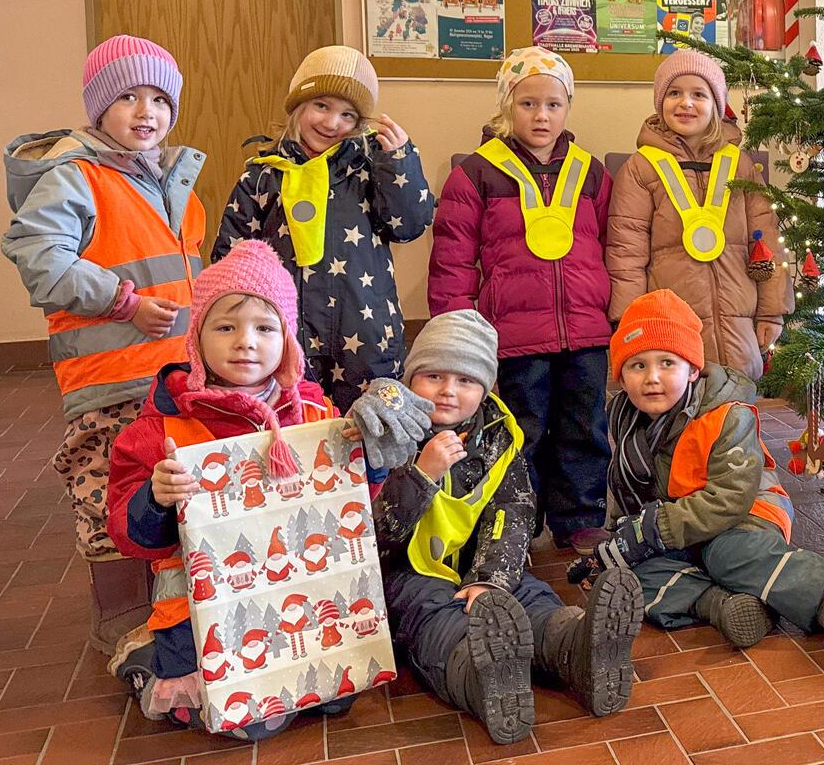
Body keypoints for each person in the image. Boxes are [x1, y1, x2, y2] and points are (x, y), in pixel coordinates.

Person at [103, 240, 425, 739]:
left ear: (288, 340)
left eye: (264, 328)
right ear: (197, 339)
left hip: (299, 597)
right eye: (225, 326)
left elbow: (351, 508)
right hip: (201, 608)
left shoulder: (317, 416)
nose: (245, 342)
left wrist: (375, 463)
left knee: (335, 700)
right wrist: (155, 496)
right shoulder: (161, 429)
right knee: (251, 725)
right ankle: (147, 657)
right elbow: (129, 535)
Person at [2, 35, 205, 655]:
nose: (146, 111)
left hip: (174, 376)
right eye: (127, 96)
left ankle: (172, 612)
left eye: (159, 99)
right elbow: (38, 256)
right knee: (105, 491)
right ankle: (122, 624)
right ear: (97, 108)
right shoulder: (74, 176)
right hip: (108, 378)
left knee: (166, 489)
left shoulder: (173, 180)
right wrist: (124, 303)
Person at [372, 310, 643, 746]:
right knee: (432, 617)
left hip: (481, 564)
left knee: (528, 593)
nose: (447, 391)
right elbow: (376, 533)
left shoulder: (499, 439)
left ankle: (575, 647)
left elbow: (512, 516)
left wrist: (490, 581)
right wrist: (420, 474)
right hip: (411, 573)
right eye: (434, 376)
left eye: (465, 381)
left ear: (485, 388)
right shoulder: (392, 435)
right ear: (411, 380)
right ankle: (483, 680)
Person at [569, 290, 824, 656]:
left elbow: (730, 498)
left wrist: (655, 529)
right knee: (624, 576)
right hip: (678, 527)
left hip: (747, 515)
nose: (652, 378)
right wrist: (620, 543)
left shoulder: (726, 414)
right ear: (621, 376)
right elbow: (624, 491)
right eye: (638, 365)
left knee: (728, 555)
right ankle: (721, 604)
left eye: (667, 363)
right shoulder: (625, 420)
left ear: (692, 369)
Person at [429, 47, 614, 551]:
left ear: (568, 108)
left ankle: (580, 520)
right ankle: (516, 522)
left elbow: (608, 245)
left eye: (554, 104)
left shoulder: (591, 172)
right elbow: (453, 259)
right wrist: (456, 331)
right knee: (520, 432)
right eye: (528, 103)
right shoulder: (475, 173)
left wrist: (612, 312)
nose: (542, 115)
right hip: (512, 336)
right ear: (506, 106)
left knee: (585, 427)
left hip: (585, 332)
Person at [213, 46, 432, 409]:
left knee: (370, 433)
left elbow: (408, 225)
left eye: (347, 115)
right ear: (299, 106)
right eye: (321, 106)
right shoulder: (264, 174)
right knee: (296, 422)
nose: (332, 124)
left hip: (366, 333)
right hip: (286, 335)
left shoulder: (371, 169)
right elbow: (230, 261)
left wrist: (399, 163)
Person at [606, 49, 791, 384]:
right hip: (669, 329)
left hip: (738, 323)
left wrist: (772, 311)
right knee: (679, 422)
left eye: (699, 94)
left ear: (716, 106)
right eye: (674, 93)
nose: (685, 103)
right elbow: (626, 253)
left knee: (736, 415)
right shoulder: (641, 168)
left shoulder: (741, 165)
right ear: (660, 102)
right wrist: (631, 322)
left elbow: (767, 242)